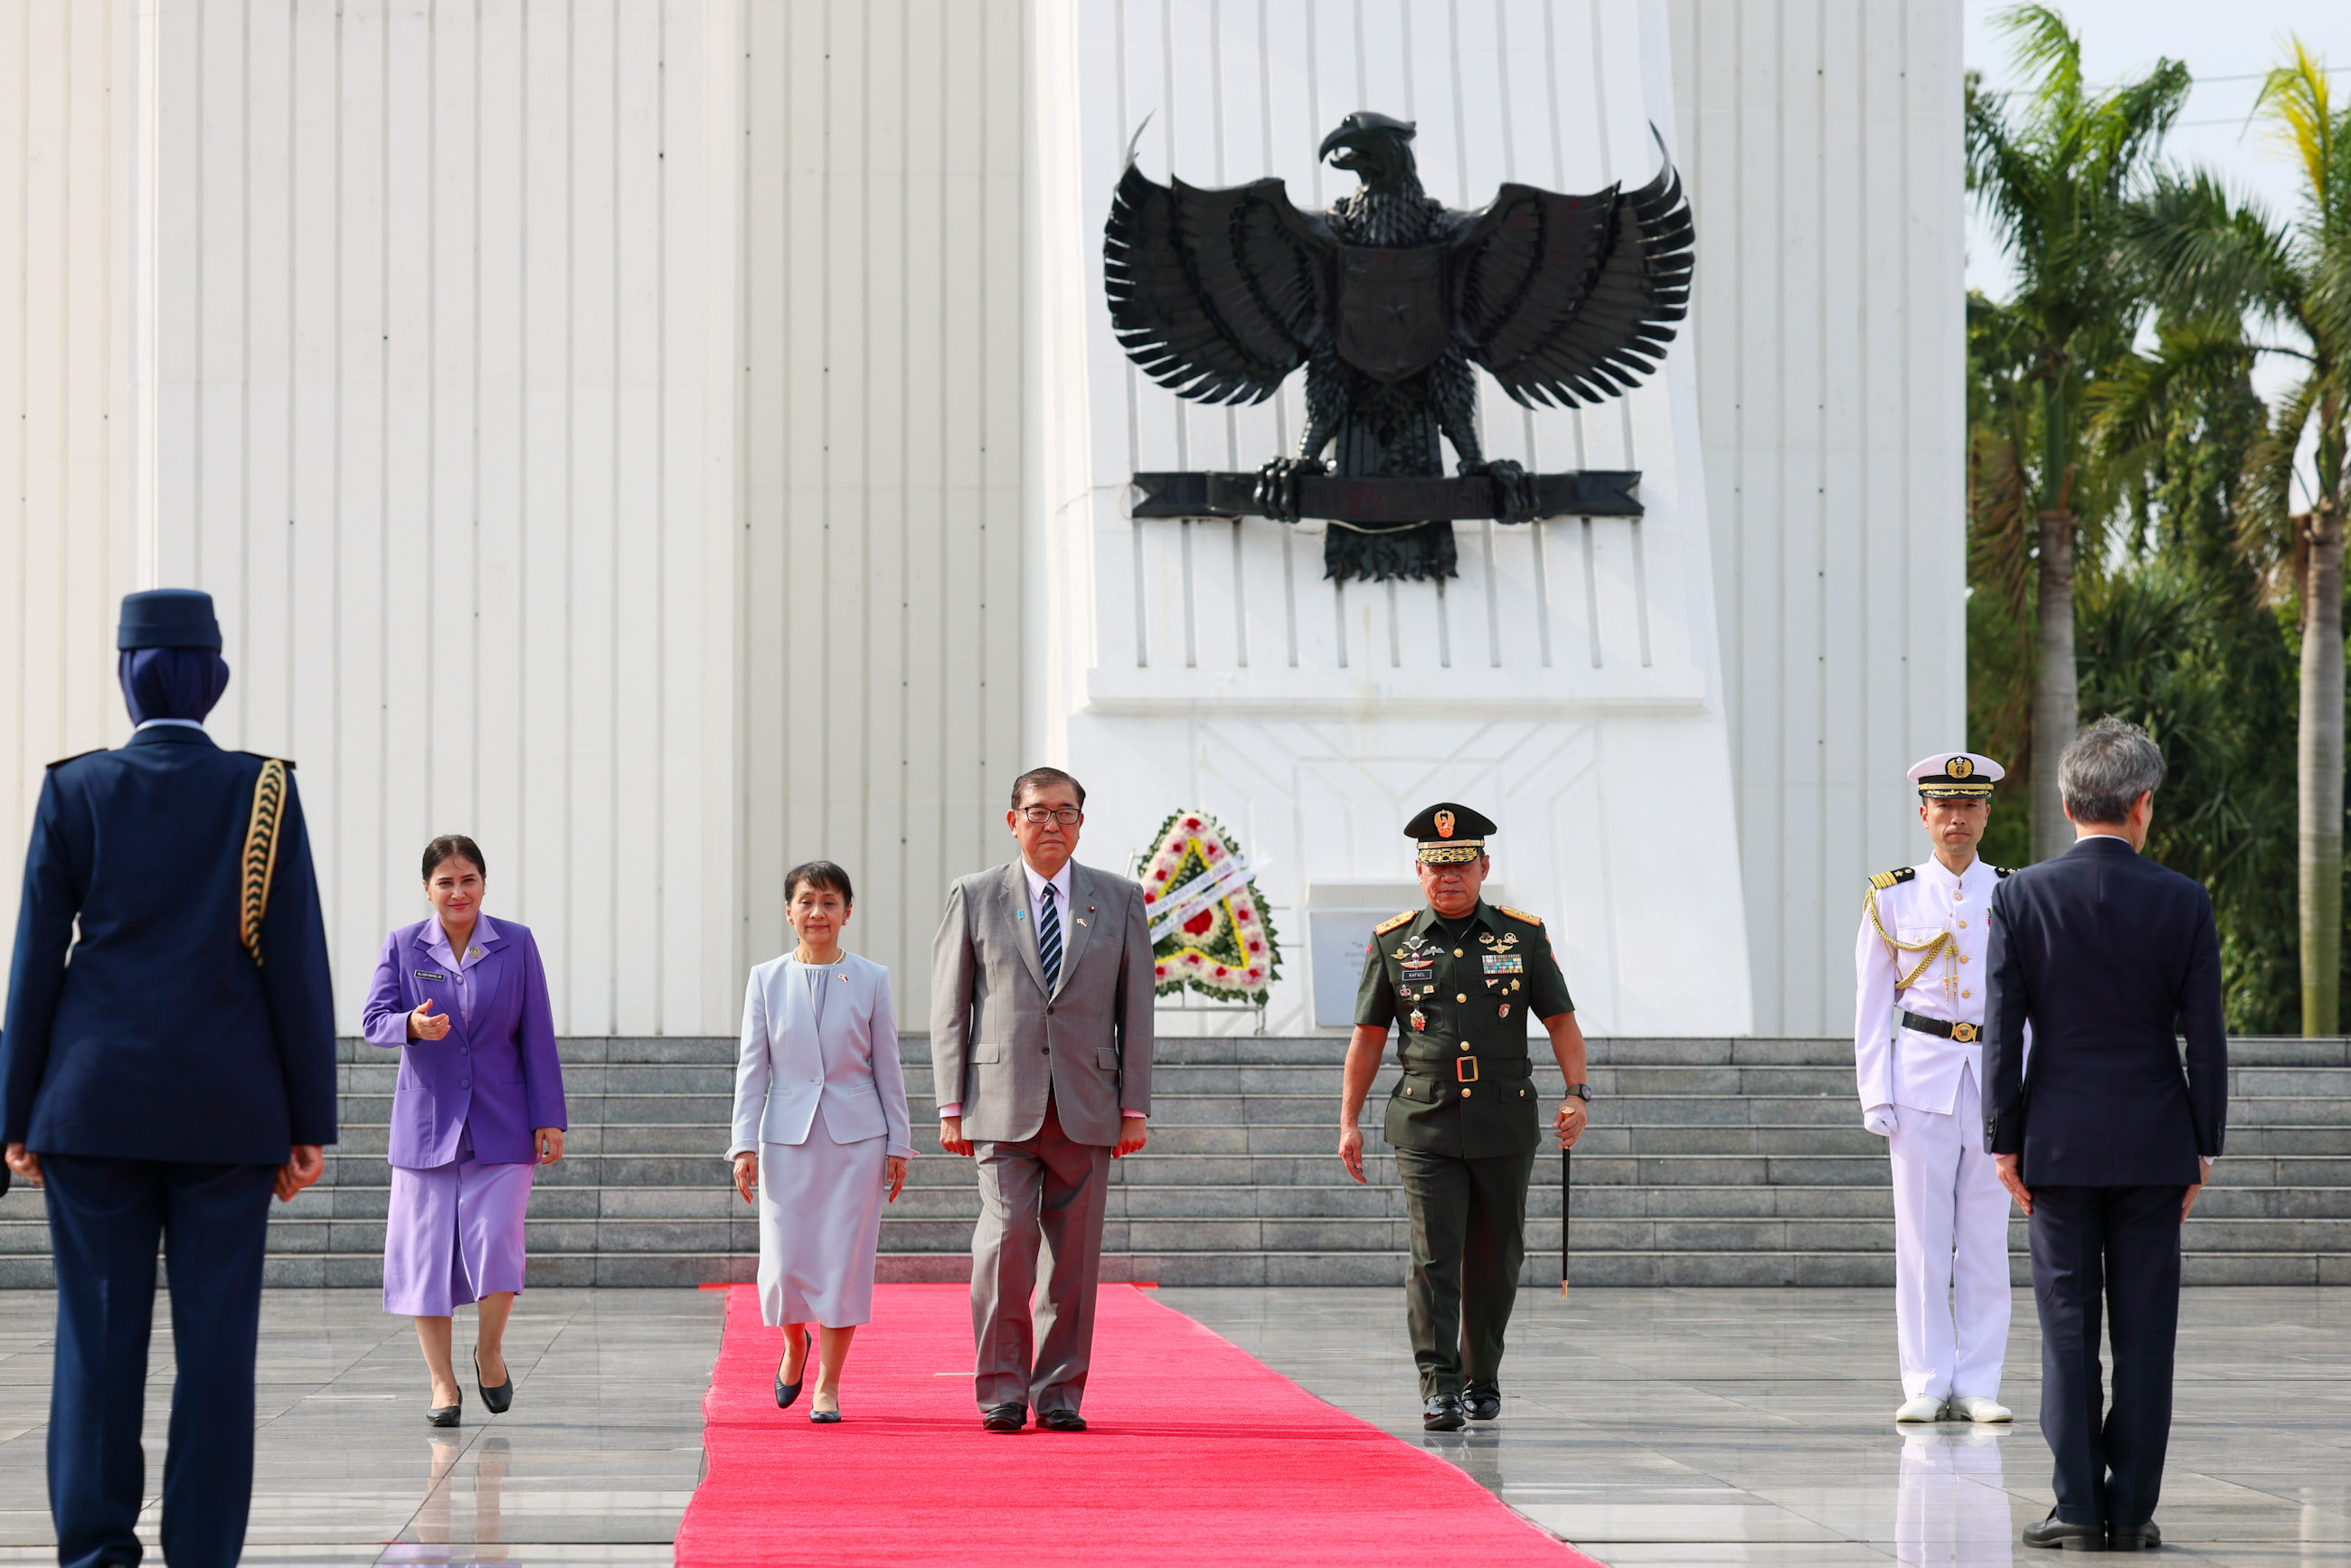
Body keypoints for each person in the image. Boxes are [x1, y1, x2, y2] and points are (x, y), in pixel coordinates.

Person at [1, 588, 337, 1568]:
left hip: (92, 1103)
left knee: (96, 1346)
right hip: (228, 1111)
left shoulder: (75, 789)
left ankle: (97, 1553)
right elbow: (294, 961)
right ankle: (200, 1555)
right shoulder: (261, 789)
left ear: (126, 672)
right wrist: (306, 1115)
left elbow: (33, 963)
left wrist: (14, 1111)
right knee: (218, 1354)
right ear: (215, 677)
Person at [1985, 717, 2226, 1554]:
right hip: (2158, 1141)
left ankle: (2079, 1508)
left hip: (2056, 1142)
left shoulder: (2019, 897)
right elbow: (2207, 1035)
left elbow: (2001, 1029)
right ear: (2143, 805)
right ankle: (2134, 1511)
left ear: (2066, 800)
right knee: (2147, 1333)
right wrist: (2204, 1144)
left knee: (2067, 1330)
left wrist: (2002, 1139)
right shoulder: (2184, 900)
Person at [1340, 802, 1590, 1432]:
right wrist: (1348, 1119)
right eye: (1434, 867)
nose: (1447, 879)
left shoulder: (1521, 936)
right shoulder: (1393, 941)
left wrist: (1577, 1094)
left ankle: (1482, 1377)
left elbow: (1561, 1021)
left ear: (1483, 868)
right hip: (1425, 1119)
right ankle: (1440, 1386)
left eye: (1459, 868)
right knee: (1433, 1257)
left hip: (1505, 1120)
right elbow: (1368, 1037)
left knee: (1497, 1255)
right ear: (1418, 871)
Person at [930, 766, 1155, 1433]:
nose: (1050, 824)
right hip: (1000, 1104)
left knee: (1076, 1262)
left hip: (1089, 1103)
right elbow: (950, 1008)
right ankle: (1002, 1389)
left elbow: (1135, 1010)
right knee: (1006, 1244)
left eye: (1064, 813)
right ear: (1012, 820)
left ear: (1081, 824)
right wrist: (949, 1106)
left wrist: (1134, 1107)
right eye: (1037, 812)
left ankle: (1059, 1394)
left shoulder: (1118, 899)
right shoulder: (975, 896)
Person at [360, 835, 568, 1426]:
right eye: (445, 882)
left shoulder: (516, 944)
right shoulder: (404, 946)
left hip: (502, 1125)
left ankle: (489, 1352)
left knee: (497, 1239)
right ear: (427, 888)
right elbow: (374, 1021)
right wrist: (410, 1026)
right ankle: (442, 1383)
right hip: (427, 1128)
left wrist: (549, 1116)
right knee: (425, 1258)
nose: (458, 891)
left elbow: (537, 1034)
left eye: (468, 879)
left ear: (483, 884)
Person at [1853, 752, 2019, 1426]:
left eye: (1969, 806)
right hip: (1920, 1075)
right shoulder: (1891, 894)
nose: (1957, 819)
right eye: (1944, 807)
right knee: (1922, 1239)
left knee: (1985, 1238)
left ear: (1985, 813)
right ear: (1924, 814)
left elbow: (2029, 1004)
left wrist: (2027, 1090)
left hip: (1993, 1077)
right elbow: (1869, 1004)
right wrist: (1875, 1092)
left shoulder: (2012, 892)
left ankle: (1978, 1381)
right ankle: (1925, 1378)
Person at [727, 860, 913, 1423]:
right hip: (786, 1138)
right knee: (783, 1265)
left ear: (847, 913)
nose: (818, 913)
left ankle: (828, 1386)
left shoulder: (873, 978)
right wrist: (743, 1144)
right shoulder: (766, 979)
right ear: (789, 912)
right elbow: (752, 1068)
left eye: (830, 903)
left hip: (858, 1140)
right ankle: (794, 1343)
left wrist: (899, 1144)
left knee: (844, 1264)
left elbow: (888, 1066)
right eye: (807, 902)